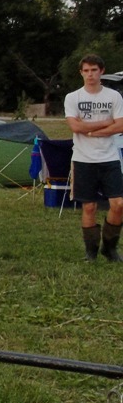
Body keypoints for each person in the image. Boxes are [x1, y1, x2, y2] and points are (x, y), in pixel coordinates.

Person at [64, 54, 123, 262]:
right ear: (81, 73)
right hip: (83, 159)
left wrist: (93, 131)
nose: (90, 75)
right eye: (86, 70)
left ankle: (110, 247)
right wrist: (105, 124)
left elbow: (121, 124)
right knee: (89, 206)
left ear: (102, 71)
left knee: (118, 204)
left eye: (94, 70)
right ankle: (91, 251)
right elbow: (75, 127)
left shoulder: (114, 96)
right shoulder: (73, 98)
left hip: (109, 158)